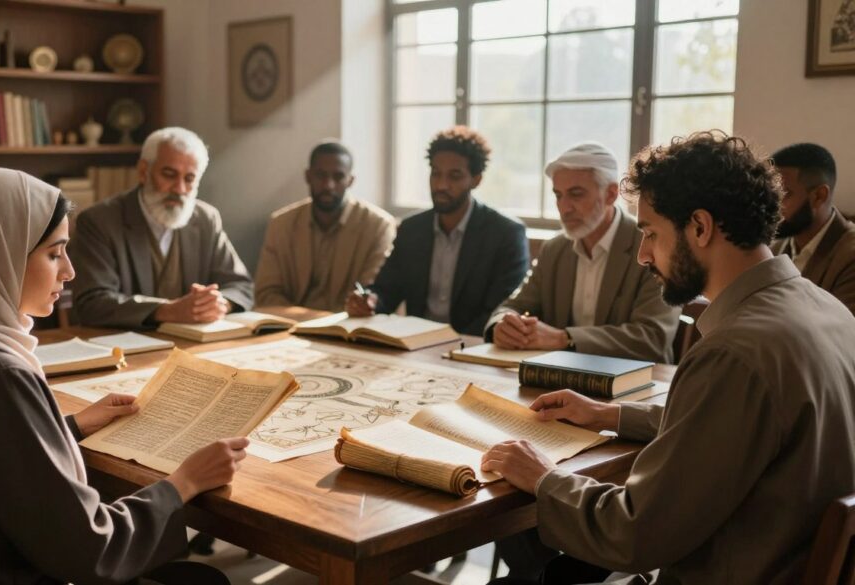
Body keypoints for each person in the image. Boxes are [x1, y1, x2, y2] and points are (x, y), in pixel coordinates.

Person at [483, 132, 855, 584]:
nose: (642, 254)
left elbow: (631, 533)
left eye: (650, 233)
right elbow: (737, 430)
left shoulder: (734, 352)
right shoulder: (824, 308)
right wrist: (613, 414)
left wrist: (543, 478)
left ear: (700, 227)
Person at [0, 168, 242, 584]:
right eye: (55, 254)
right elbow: (90, 550)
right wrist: (184, 482)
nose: (69, 271)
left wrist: (66, 427)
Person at [484, 143, 679, 363]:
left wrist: (563, 339)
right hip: (563, 379)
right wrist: (502, 325)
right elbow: (514, 306)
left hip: (638, 385)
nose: (564, 207)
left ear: (611, 194)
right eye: (558, 195)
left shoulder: (651, 246)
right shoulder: (554, 249)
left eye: (576, 194)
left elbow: (652, 338)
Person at [345, 126, 529, 335]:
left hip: (471, 348)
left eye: (454, 176)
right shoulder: (412, 229)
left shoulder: (505, 234)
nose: (441, 185)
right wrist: (369, 300)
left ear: (476, 180)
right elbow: (387, 290)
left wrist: (450, 343)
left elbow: (501, 311)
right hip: (415, 345)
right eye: (436, 173)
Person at [69, 127, 253, 329]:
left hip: (192, 347)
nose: (179, 189)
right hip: (124, 349)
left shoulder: (205, 219)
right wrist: (168, 311)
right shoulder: (99, 222)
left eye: (189, 179)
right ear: (143, 171)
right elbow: (92, 303)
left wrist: (218, 304)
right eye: (169, 175)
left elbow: (241, 286)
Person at [254, 141, 396, 311]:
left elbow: (370, 295)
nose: (328, 185)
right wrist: (301, 322)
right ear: (308, 176)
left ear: (350, 181)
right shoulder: (281, 224)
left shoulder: (378, 226)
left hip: (347, 328)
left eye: (338, 177)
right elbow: (266, 292)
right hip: (290, 325)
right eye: (321, 175)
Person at [770, 142, 855, 314]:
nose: (772, 206)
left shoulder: (849, 256)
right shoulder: (775, 249)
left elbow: (842, 334)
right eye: (771, 194)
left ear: (819, 196)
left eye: (783, 195)